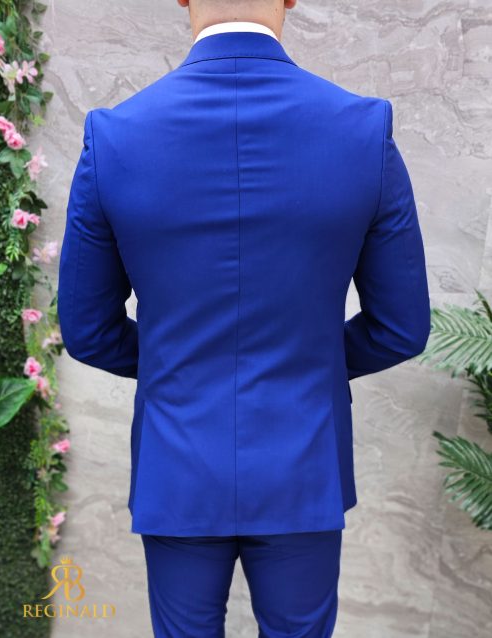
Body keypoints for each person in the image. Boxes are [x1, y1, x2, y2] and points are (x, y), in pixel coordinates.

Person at [57, 0, 431, 635]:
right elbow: (401, 327)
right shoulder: (363, 130)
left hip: (178, 463)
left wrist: (181, 365)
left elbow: (88, 331)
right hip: (302, 462)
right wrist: (307, 363)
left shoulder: (115, 135)